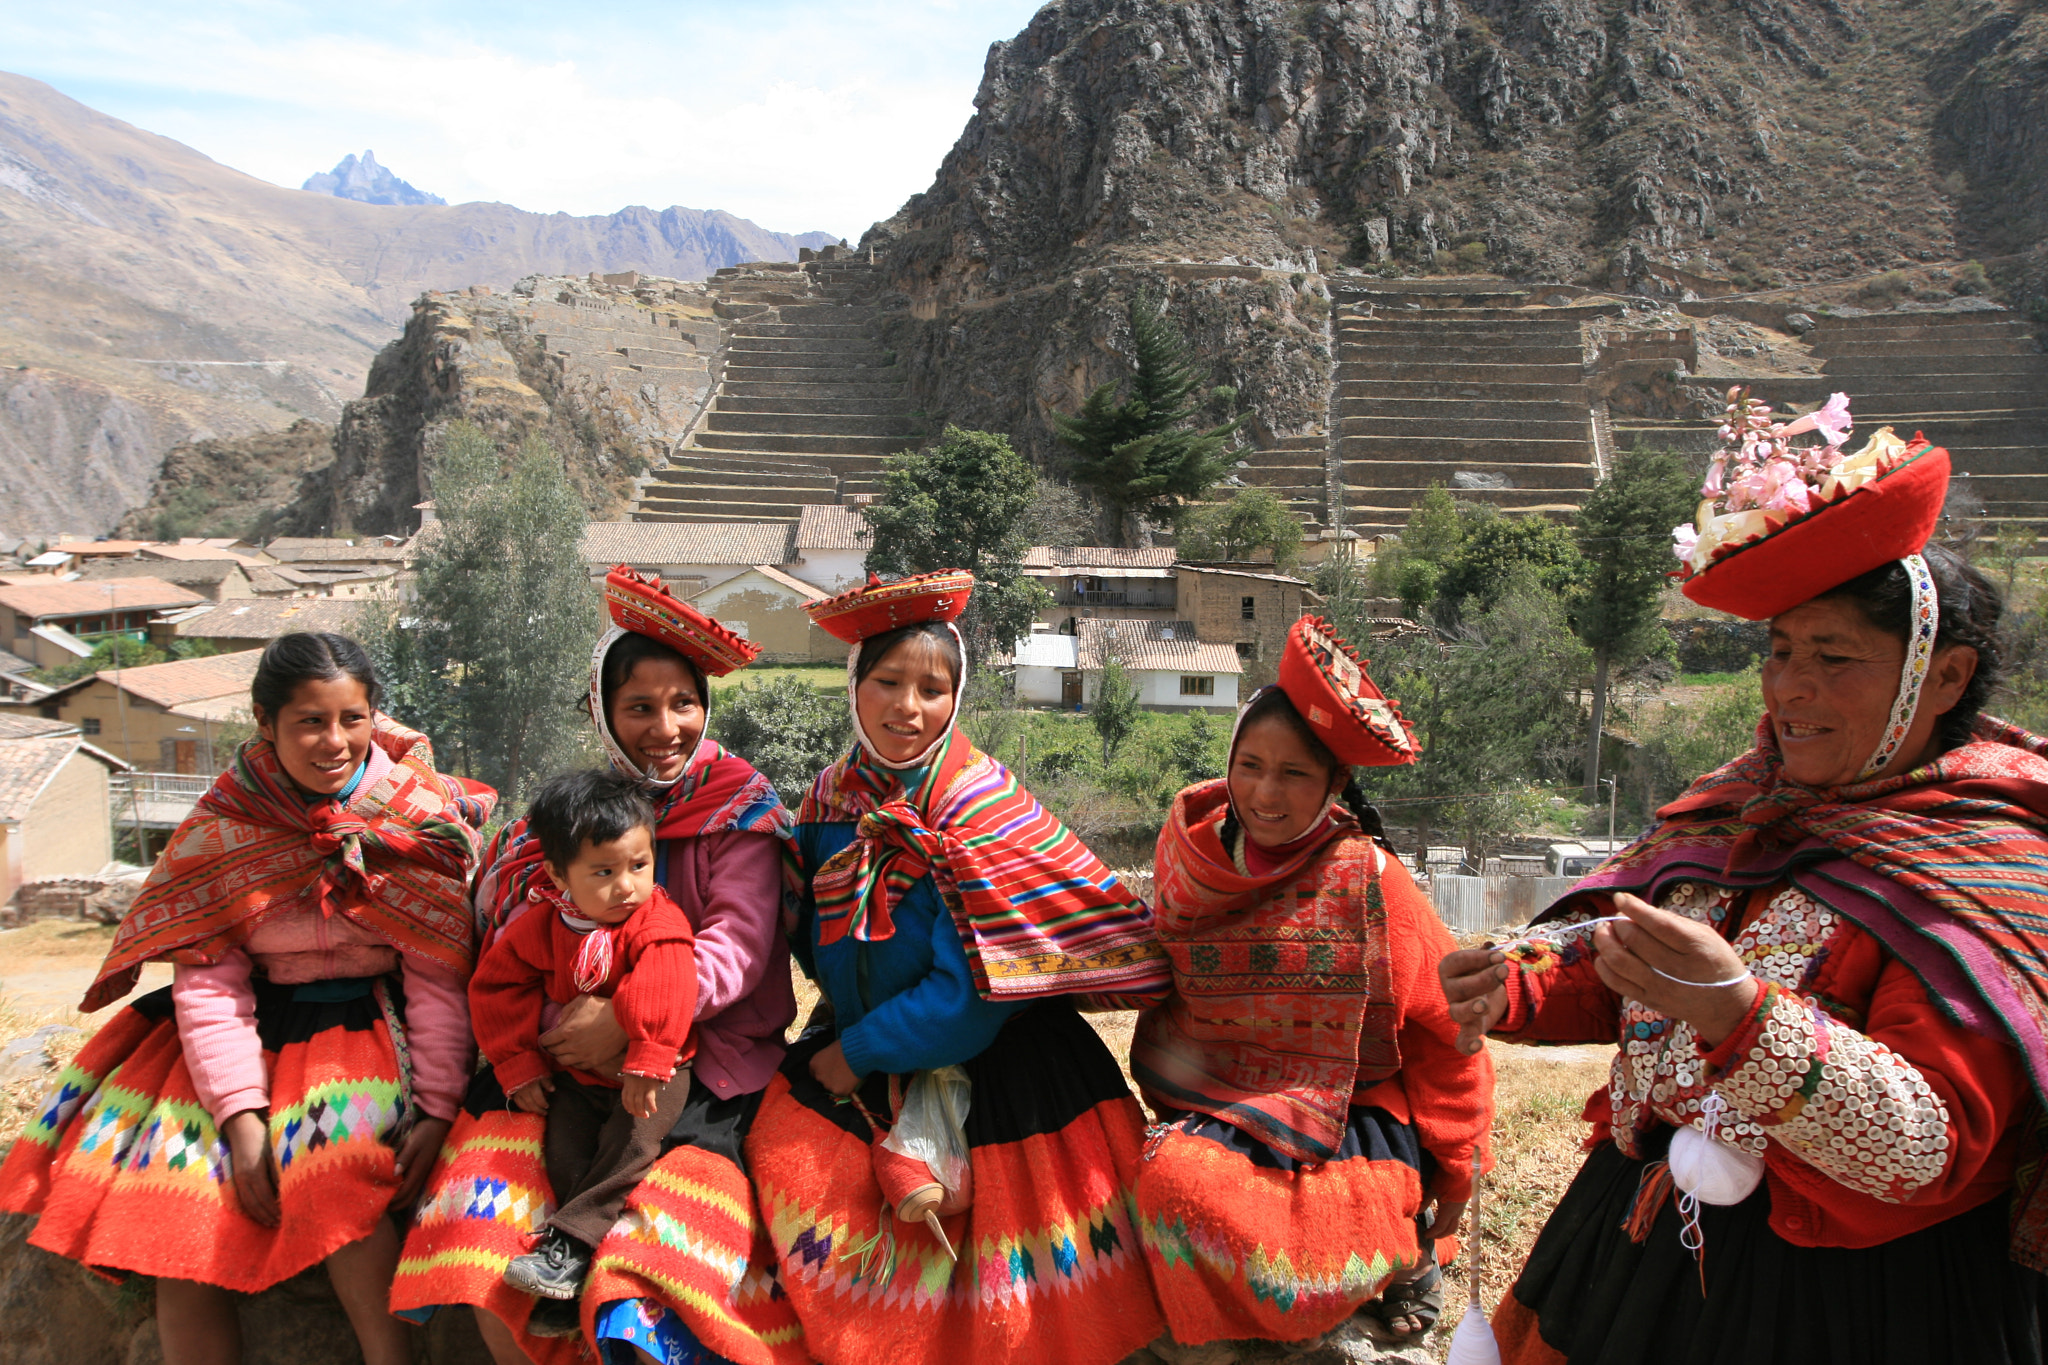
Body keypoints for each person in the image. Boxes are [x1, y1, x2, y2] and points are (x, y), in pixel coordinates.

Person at [1441, 400, 2048, 1363]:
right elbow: (1628, 969)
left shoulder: (1991, 864)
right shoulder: (1740, 809)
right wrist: (1516, 980)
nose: (1790, 687)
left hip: (1846, 1306)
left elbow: (1928, 1146)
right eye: (1780, 651)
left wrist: (1741, 1015)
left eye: (1833, 658)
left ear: (1944, 676)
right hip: (1636, 1250)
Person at [0, 631, 494, 1365]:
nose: (335, 741)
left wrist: (437, 1104)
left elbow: (435, 969)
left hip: (367, 1022)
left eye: (352, 719)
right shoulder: (226, 824)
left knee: (336, 1179)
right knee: (174, 1200)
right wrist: (239, 1116)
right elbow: (207, 978)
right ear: (266, 723)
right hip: (239, 1029)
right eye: (310, 722)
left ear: (372, 716)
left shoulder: (409, 810)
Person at [746, 570, 1175, 1365]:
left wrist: (855, 1052)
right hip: (866, 1045)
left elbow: (972, 996)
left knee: (1020, 1318)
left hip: (1004, 1062)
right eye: (889, 681)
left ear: (958, 696)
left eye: (933, 689)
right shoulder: (828, 801)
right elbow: (811, 931)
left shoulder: (979, 811)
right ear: (855, 686)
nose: (909, 707)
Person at [394, 566, 804, 1365]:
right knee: (486, 1226)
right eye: (639, 707)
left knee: (664, 1245)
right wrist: (554, 1033)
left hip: (704, 1064)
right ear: (604, 713)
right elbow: (518, 939)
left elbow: (738, 949)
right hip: (567, 1065)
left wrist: (629, 1017)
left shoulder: (737, 809)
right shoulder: (578, 814)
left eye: (682, 702)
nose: (665, 726)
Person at [1132, 616, 1493, 1348]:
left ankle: (1403, 1258)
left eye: (1294, 772)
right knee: (1168, 1188)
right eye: (1250, 764)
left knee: (1318, 1250)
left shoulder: (1372, 884)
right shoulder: (1190, 853)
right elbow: (1151, 960)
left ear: (1336, 782)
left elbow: (1453, 1034)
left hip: (1354, 1111)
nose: (1265, 793)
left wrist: (1455, 1177)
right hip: (1224, 1108)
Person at [470, 769, 698, 1310]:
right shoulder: (543, 925)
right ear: (557, 873)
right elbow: (498, 986)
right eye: (604, 871)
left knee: (633, 1142)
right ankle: (574, 1266)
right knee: (564, 1144)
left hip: (658, 1069)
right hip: (578, 1075)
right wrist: (517, 1063)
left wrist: (646, 1060)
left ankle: (569, 1241)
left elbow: (666, 985)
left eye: (639, 866)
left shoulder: (655, 920)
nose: (627, 886)